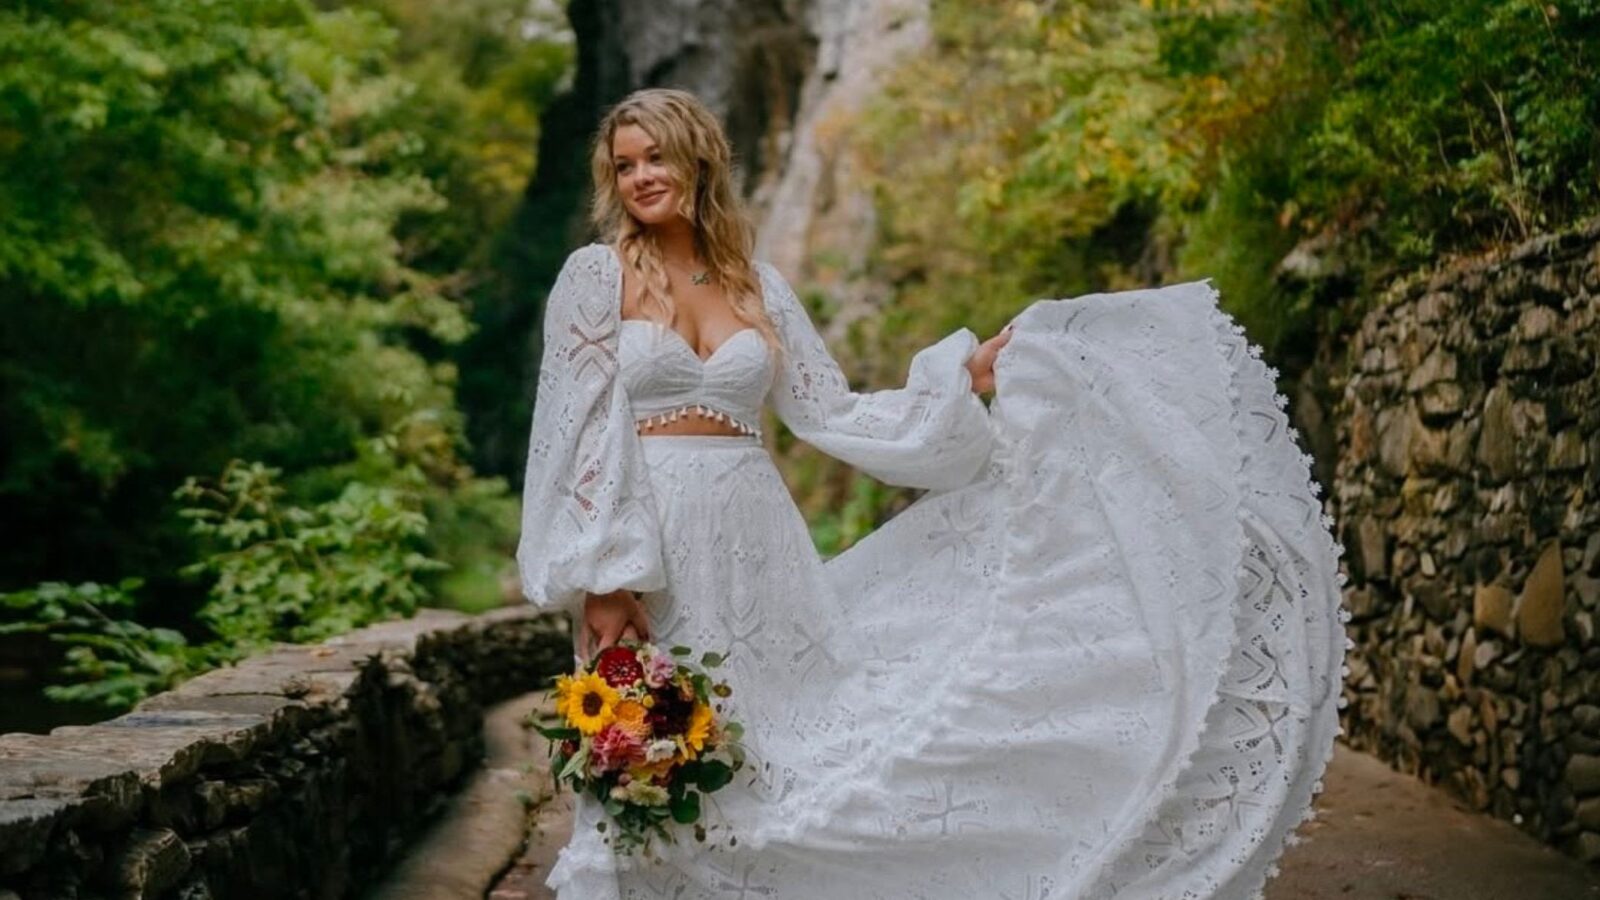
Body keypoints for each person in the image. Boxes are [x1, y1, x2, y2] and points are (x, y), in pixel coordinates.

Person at [516, 87, 1347, 900]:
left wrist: (963, 377)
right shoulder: (595, 277)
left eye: (656, 156)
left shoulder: (756, 287)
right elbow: (578, 431)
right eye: (624, 165)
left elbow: (830, 409)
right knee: (648, 735)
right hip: (649, 541)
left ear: (697, 159)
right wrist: (605, 572)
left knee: (767, 739)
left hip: (757, 541)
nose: (640, 177)